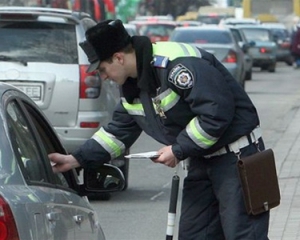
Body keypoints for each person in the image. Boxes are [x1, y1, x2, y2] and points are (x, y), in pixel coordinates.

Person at [49, 19, 269, 239]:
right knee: (195, 235)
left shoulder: (177, 65)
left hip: (238, 159)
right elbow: (116, 133)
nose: (103, 76)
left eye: (103, 69)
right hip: (203, 160)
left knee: (245, 235)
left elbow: (216, 113)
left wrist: (177, 149)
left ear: (119, 57)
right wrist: (76, 160)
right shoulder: (133, 86)